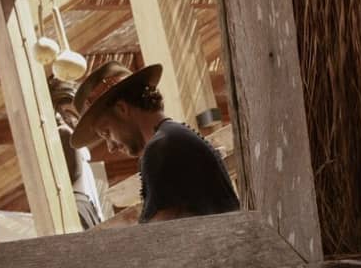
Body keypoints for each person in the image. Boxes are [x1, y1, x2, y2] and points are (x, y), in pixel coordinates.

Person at [70, 61, 239, 225]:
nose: (111, 147)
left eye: (106, 133)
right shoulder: (173, 138)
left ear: (122, 109)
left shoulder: (163, 148)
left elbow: (160, 235)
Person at [48, 76, 104, 230]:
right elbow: (74, 174)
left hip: (88, 204)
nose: (73, 119)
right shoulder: (64, 133)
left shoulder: (73, 137)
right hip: (79, 201)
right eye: (67, 112)